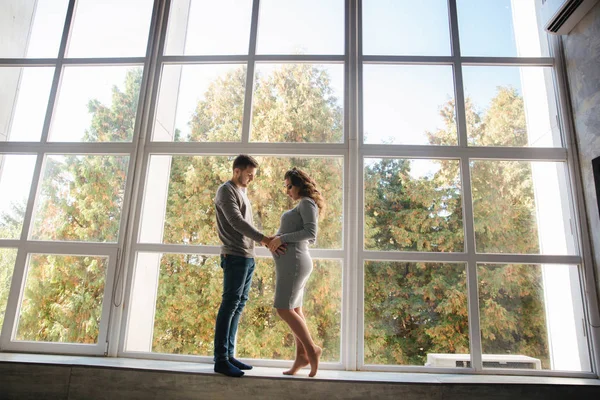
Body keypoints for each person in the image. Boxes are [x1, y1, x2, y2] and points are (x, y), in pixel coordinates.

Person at [213, 154, 283, 377]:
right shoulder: (226, 191)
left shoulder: (242, 192)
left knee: (239, 304)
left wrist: (258, 244)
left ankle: (229, 355)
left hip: (247, 256)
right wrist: (264, 239)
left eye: (253, 175)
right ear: (237, 171)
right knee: (230, 304)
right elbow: (236, 221)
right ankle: (221, 360)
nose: (251, 179)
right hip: (234, 255)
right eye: (249, 174)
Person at [267, 167, 324, 377]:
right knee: (296, 309)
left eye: (290, 186)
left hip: (295, 262)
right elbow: (293, 232)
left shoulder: (307, 203)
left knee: (283, 309)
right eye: (286, 186)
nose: (287, 190)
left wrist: (281, 239)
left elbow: (310, 233)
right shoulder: (302, 205)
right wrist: (275, 238)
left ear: (300, 184)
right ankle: (301, 356)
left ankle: (312, 350)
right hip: (291, 262)